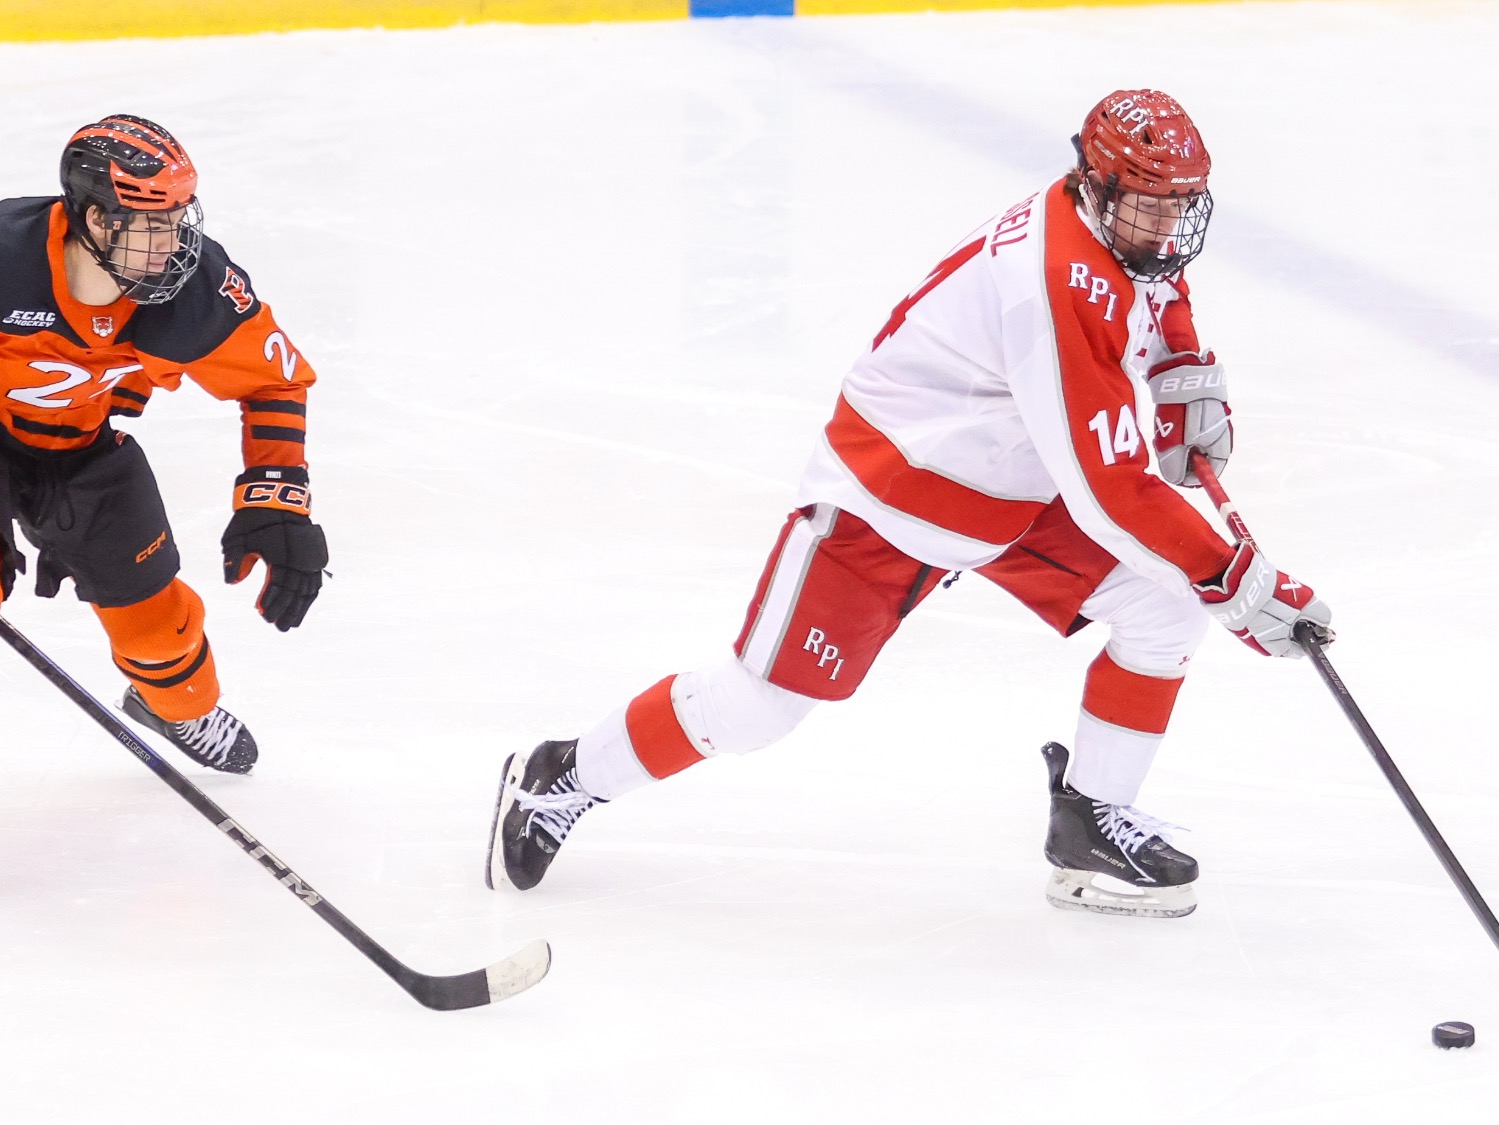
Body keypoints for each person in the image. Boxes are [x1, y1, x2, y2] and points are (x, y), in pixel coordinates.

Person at [486, 90, 1329, 918]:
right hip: (888, 496)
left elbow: (1157, 286)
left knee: (1163, 608)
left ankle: (1089, 823)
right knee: (756, 707)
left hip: (1010, 488)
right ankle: (560, 776)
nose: (1168, 230)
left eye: (1180, 208)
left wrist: (1179, 368)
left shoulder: (1118, 232)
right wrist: (1240, 581)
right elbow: (1112, 488)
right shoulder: (1053, 284)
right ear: (1098, 189)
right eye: (1150, 208)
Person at [0, 115, 329, 773]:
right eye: (155, 222)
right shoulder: (5, 256)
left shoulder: (196, 292)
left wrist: (277, 499)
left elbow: (273, 381)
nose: (176, 242)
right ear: (98, 221)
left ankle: (174, 708)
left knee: (158, 632)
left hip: (84, 455)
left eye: (181, 218)